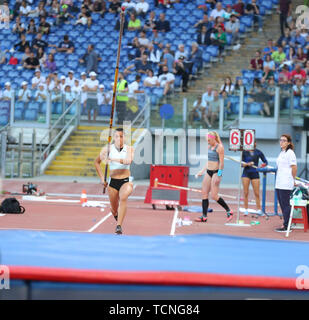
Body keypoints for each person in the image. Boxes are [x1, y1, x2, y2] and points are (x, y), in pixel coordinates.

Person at [94, 128, 134, 235]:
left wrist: (112, 160)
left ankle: (119, 226)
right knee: (114, 209)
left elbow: (128, 161)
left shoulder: (129, 149)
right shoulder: (108, 149)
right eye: (117, 136)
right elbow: (96, 162)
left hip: (126, 181)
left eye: (121, 136)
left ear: (125, 138)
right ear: (114, 138)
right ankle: (117, 215)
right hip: (112, 182)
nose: (119, 139)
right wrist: (102, 179)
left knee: (124, 197)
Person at [196, 131, 234, 222]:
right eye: (207, 140)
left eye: (209, 140)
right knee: (204, 193)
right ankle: (204, 216)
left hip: (216, 172)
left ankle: (229, 211)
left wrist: (219, 176)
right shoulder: (209, 146)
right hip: (209, 171)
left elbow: (221, 163)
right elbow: (209, 161)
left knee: (214, 195)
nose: (208, 142)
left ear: (213, 138)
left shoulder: (219, 147)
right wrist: (202, 171)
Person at [274, 134, 297, 232]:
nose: (281, 142)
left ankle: (287, 225)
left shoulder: (290, 153)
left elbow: (294, 167)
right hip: (279, 182)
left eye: (284, 140)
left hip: (286, 183)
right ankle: (287, 223)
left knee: (285, 204)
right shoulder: (282, 153)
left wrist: (293, 179)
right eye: (281, 140)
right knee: (282, 204)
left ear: (288, 142)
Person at [241, 142, 268, 216]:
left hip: (255, 173)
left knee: (257, 193)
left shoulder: (258, 152)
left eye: (254, 143)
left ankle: (259, 209)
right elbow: (241, 164)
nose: (253, 144)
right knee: (246, 192)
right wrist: (247, 164)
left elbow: (265, 162)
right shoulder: (244, 152)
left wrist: (261, 166)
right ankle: (246, 209)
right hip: (246, 173)